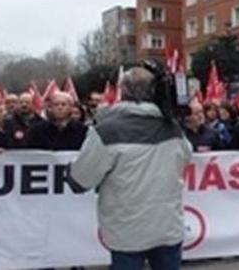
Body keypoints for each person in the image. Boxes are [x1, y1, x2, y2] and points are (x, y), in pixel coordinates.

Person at [68, 67, 193, 270]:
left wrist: (70, 171)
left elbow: (81, 180)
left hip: (126, 231)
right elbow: (187, 157)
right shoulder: (172, 128)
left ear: (122, 91)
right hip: (167, 225)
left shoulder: (106, 130)